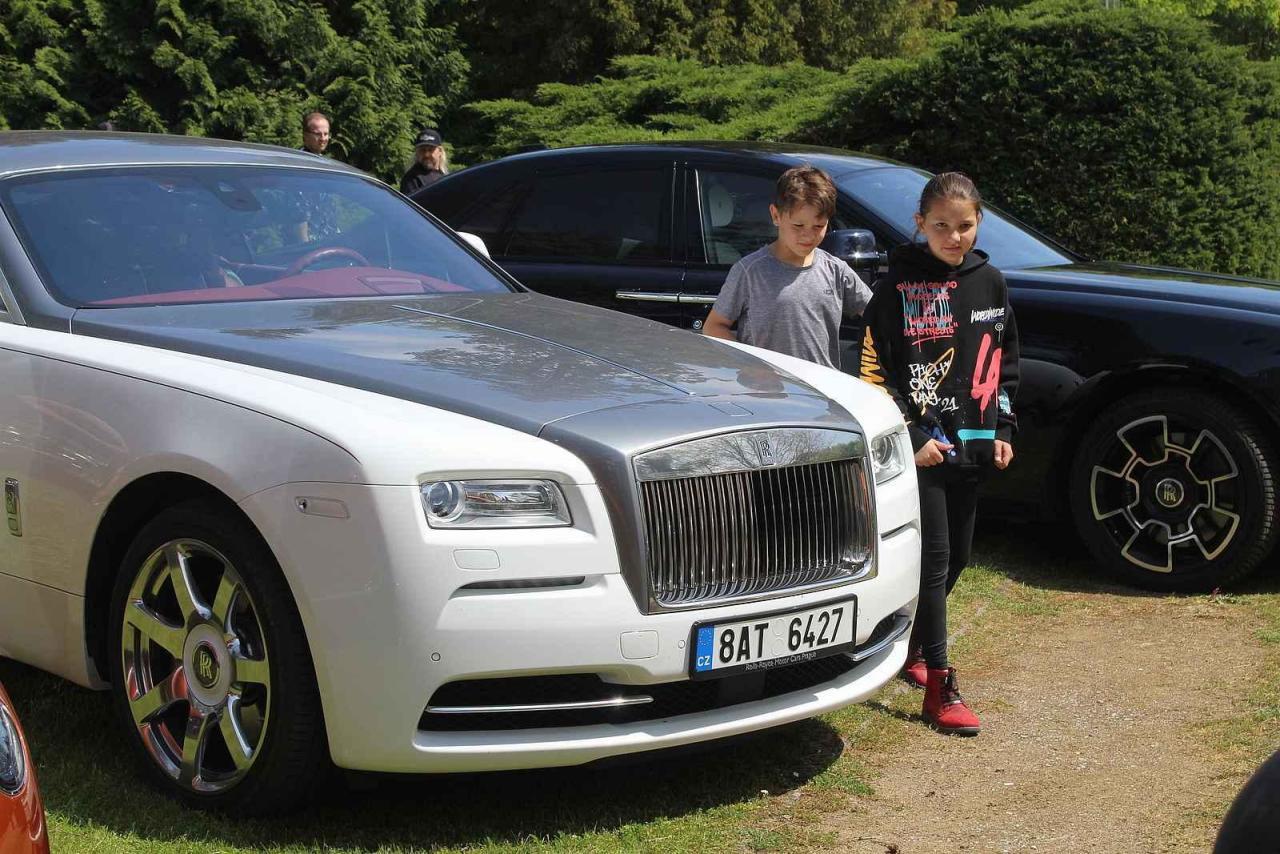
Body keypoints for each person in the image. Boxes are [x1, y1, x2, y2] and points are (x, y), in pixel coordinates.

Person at [860, 172, 1019, 736]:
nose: (954, 237)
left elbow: (1002, 361)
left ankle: (910, 647)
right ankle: (940, 685)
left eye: (965, 226)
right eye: (942, 226)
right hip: (921, 445)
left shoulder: (991, 282)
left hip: (973, 442)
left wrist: (1002, 425)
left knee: (959, 560)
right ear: (920, 225)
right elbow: (874, 367)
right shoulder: (895, 286)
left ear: (979, 224)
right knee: (934, 557)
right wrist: (914, 431)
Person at [703, 165, 871, 367]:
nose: (808, 235)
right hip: (766, 394)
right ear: (776, 215)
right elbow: (714, 327)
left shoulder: (837, 270)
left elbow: (879, 315)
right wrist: (748, 364)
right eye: (798, 226)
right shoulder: (750, 271)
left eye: (819, 226)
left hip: (822, 392)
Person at [400, 127, 449, 194]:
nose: (426, 155)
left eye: (430, 150)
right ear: (417, 153)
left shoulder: (445, 176)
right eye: (422, 150)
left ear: (440, 151)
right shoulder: (412, 179)